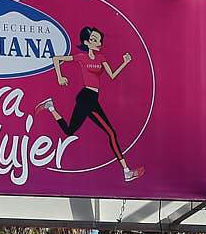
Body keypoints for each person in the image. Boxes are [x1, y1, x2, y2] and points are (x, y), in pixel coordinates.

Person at [38, 26, 144, 183]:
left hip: (91, 97)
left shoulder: (101, 58)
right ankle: (126, 171)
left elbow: (112, 75)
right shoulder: (81, 57)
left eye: (99, 40)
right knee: (111, 133)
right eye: (94, 40)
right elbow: (56, 59)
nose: (98, 42)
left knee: (69, 131)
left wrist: (124, 63)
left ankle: (51, 106)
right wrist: (60, 76)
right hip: (87, 97)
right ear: (87, 42)